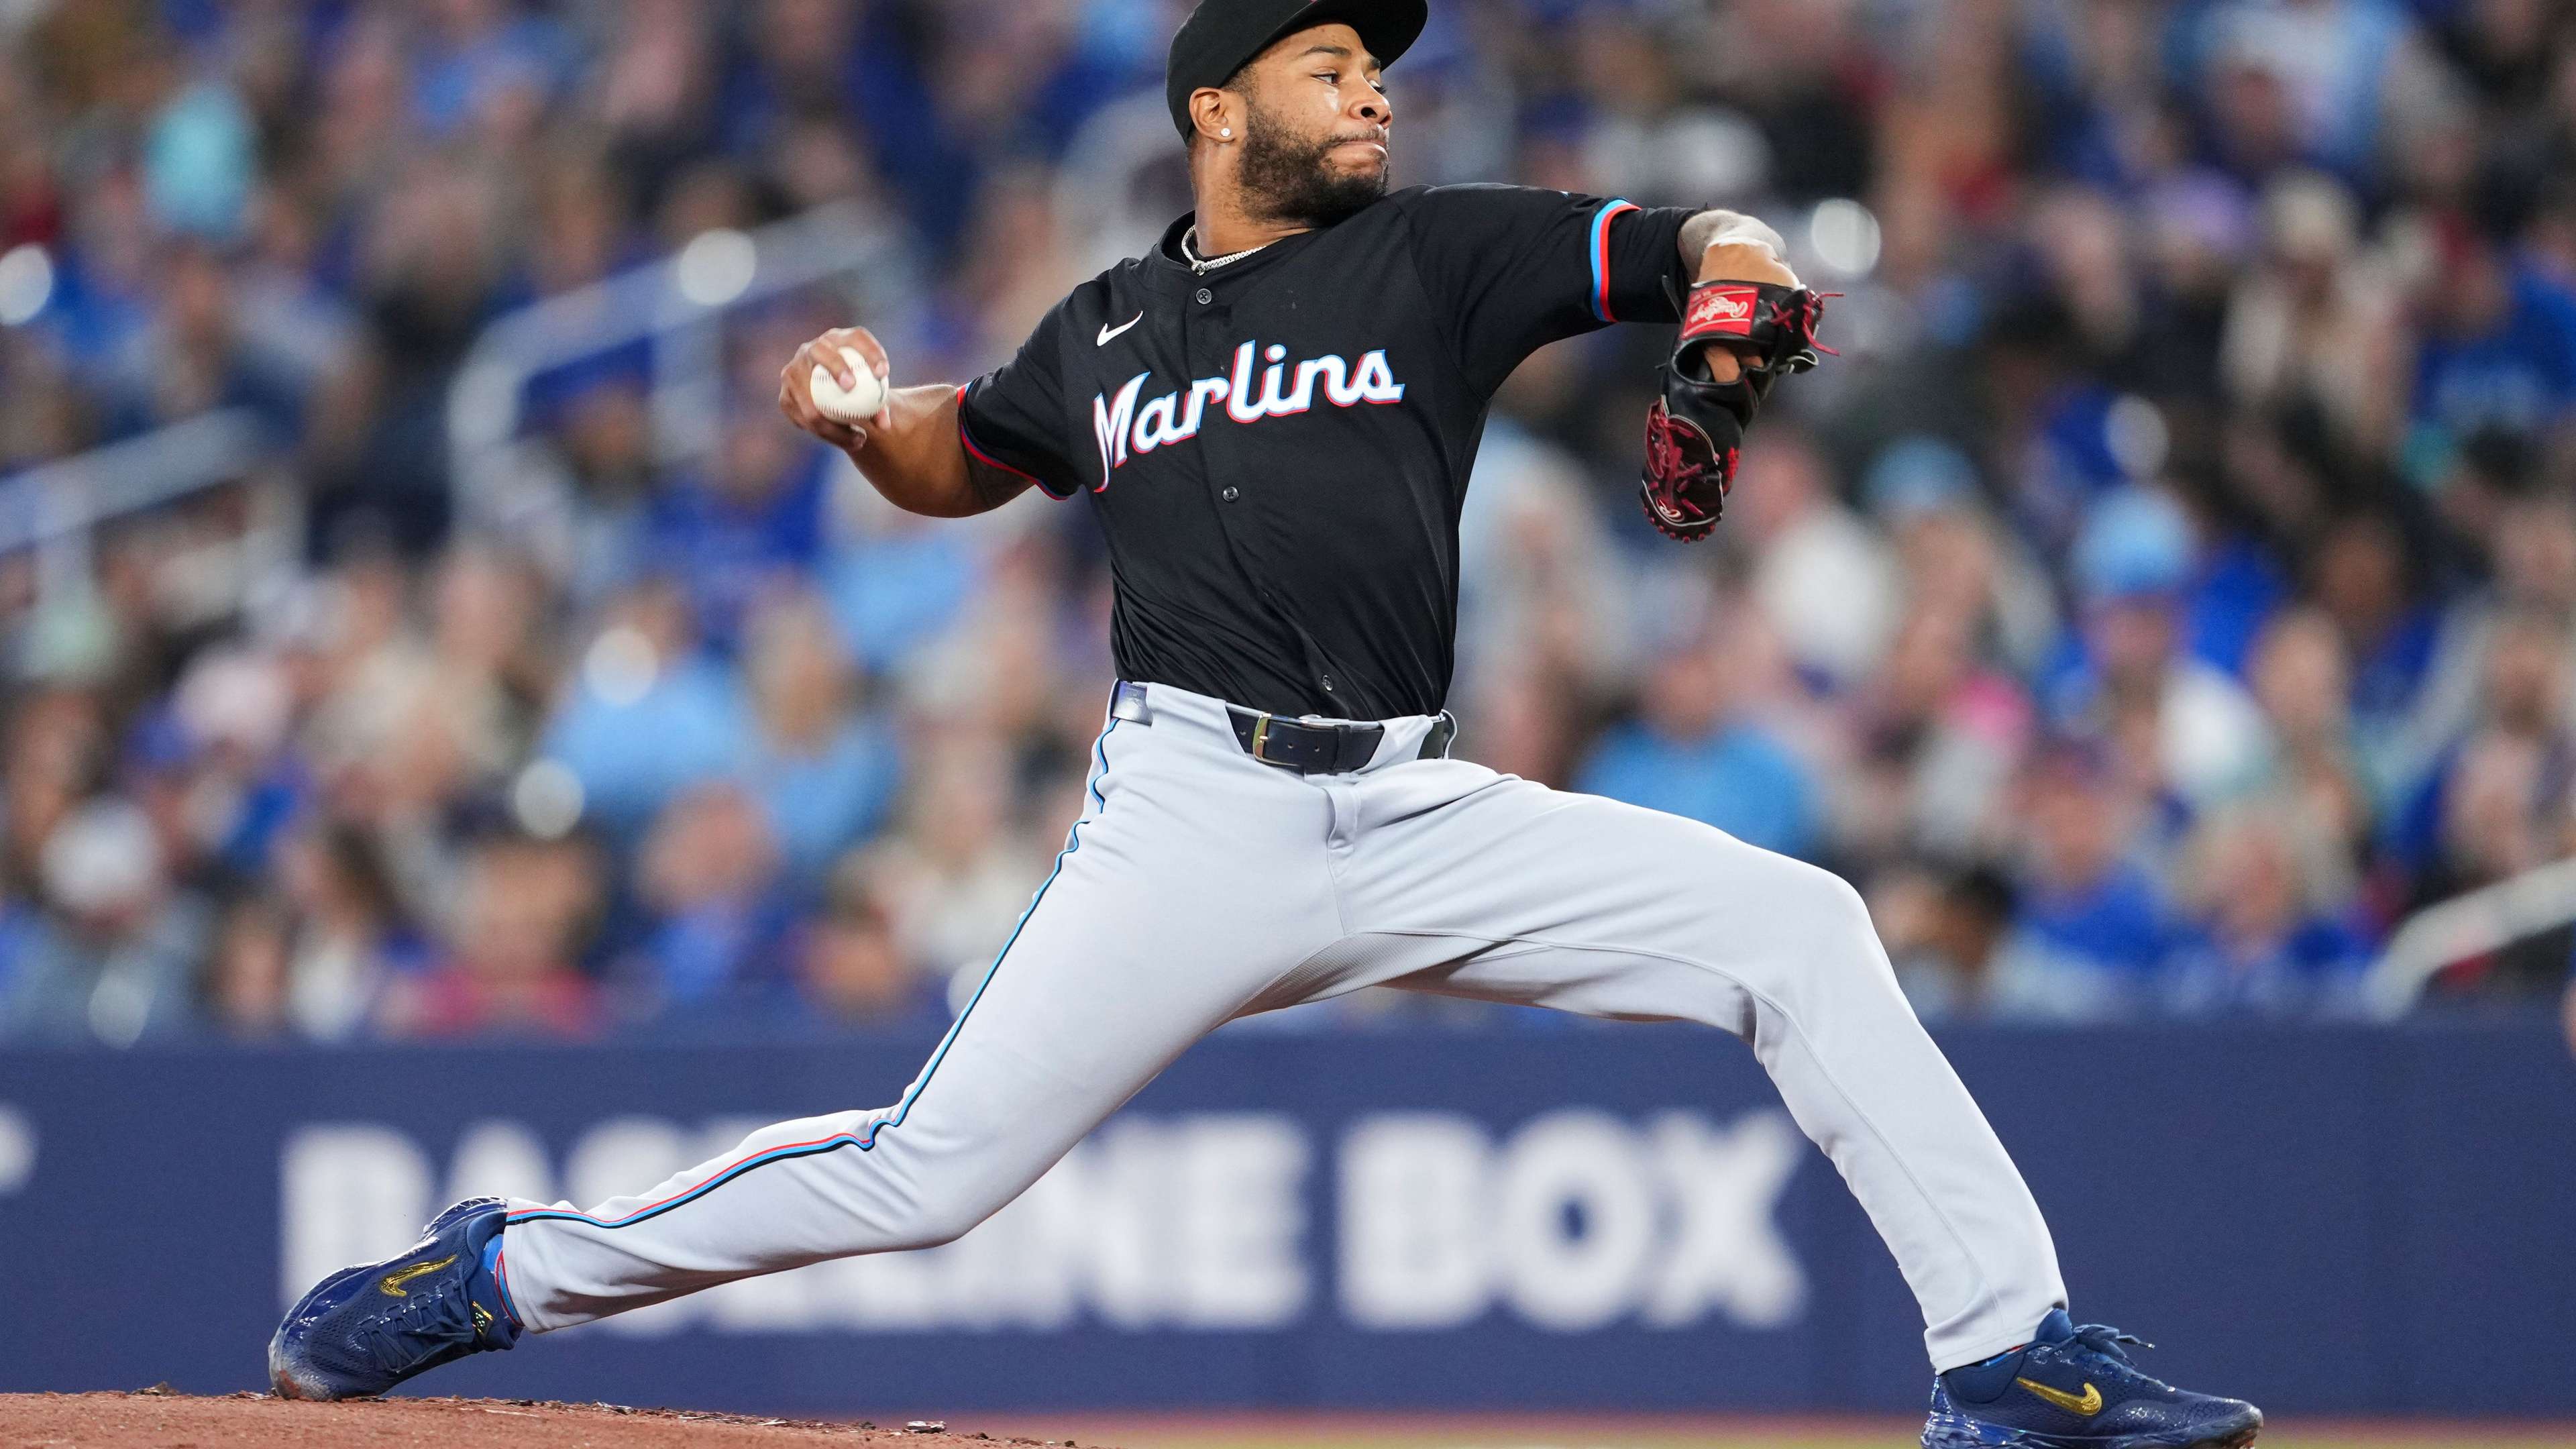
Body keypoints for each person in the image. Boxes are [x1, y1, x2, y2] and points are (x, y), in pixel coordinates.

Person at [272, 4, 2261, 1445]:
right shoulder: (1110, 329)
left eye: (1374, 60)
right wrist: (857, 421)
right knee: (928, 1174)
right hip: (1193, 816)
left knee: (1802, 930)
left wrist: (1743, 309)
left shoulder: (1442, 252)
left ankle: (2009, 1359)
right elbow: (964, 458)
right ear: (1219, 106)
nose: (1373, 82)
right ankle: (508, 1269)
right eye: (1330, 62)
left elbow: (1697, 250)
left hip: (1415, 801)